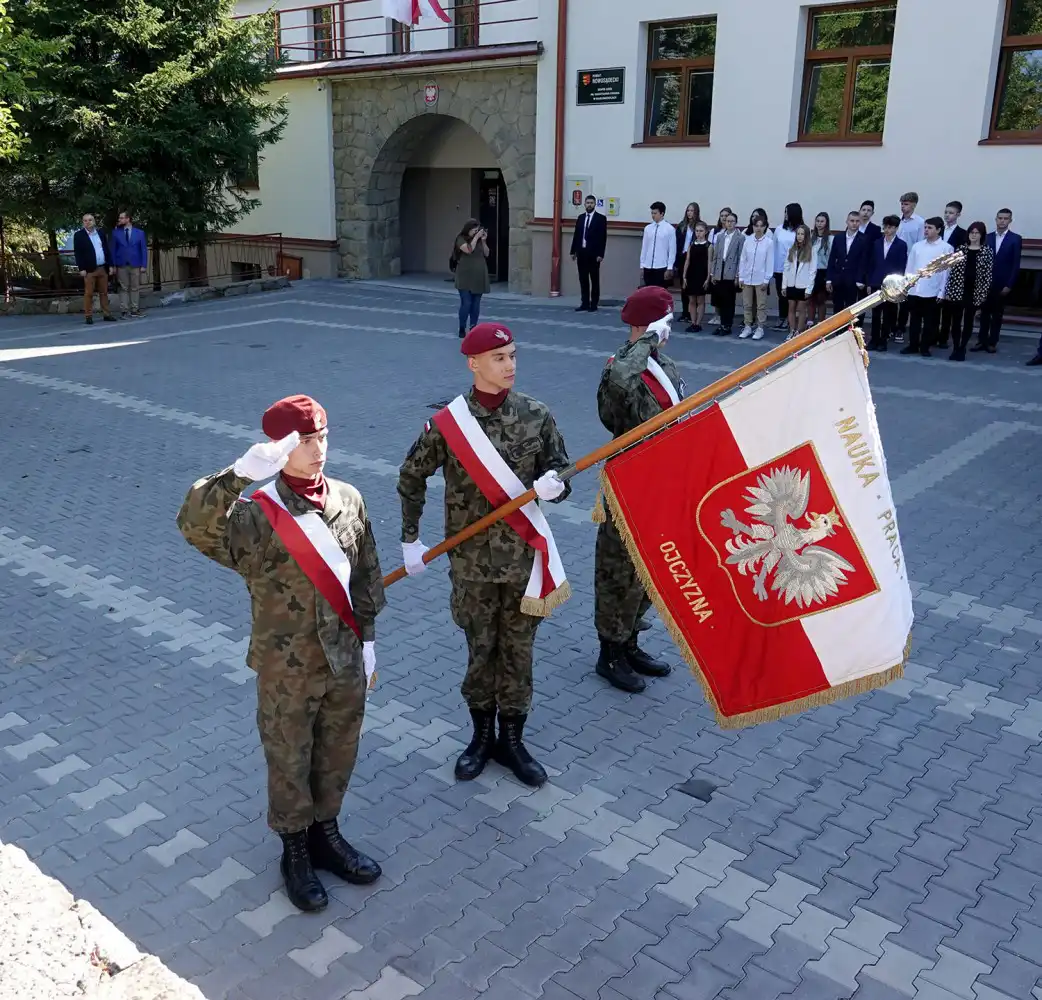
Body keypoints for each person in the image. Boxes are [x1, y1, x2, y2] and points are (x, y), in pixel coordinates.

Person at [176, 395, 386, 913]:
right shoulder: (256, 515)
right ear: (279, 447)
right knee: (289, 759)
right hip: (286, 667)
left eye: (323, 437)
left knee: (338, 752)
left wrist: (369, 640)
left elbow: (365, 575)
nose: (319, 449)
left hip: (344, 658)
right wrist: (239, 474)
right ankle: (295, 851)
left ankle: (326, 835)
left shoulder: (348, 498)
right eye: (305, 441)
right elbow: (193, 524)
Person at [397, 323, 571, 788]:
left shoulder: (536, 414)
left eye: (513, 355)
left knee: (518, 651)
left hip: (522, 562)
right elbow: (411, 476)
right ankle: (480, 737)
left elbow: (561, 467)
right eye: (499, 358)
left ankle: (512, 741)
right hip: (471, 564)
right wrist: (410, 539)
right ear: (473, 364)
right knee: (480, 650)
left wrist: (555, 487)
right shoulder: (447, 424)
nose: (510, 365)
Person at [594, 286, 678, 693]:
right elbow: (619, 389)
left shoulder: (665, 366)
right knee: (618, 569)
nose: (670, 331)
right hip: (628, 482)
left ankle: (630, 642)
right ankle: (609, 653)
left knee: (646, 568)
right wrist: (645, 340)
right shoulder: (620, 367)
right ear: (648, 325)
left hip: (662, 479)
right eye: (665, 322)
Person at [902, 217, 953, 358]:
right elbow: (910, 267)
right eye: (925, 227)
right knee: (914, 320)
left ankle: (925, 346)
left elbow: (945, 272)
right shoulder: (917, 246)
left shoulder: (946, 248)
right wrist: (907, 286)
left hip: (933, 291)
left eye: (930, 228)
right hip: (915, 289)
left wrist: (942, 292)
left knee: (930, 322)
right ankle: (913, 345)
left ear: (938, 230)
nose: (926, 230)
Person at [942, 221, 993, 362]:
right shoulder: (961, 249)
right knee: (956, 321)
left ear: (982, 235)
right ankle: (956, 347)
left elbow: (987, 275)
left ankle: (962, 347)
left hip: (974, 292)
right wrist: (949, 291)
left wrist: (983, 294)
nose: (973, 235)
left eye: (977, 233)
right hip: (958, 290)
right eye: (971, 232)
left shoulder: (987, 251)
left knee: (968, 322)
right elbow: (953, 273)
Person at [975, 208, 1022, 355]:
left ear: (1010, 221)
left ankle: (992, 342)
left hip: (1002, 283)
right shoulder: (987, 237)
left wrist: (1009, 284)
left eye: (1005, 218)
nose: (1002, 221)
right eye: (1000, 218)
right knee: (984, 313)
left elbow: (1015, 264)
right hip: (985, 283)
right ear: (996, 219)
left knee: (997, 315)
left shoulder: (1015, 239)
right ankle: (981, 341)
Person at [865, 215, 908, 352]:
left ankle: (883, 340)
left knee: (888, 313)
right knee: (876, 313)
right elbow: (871, 264)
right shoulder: (877, 243)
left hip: (891, 284)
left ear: (896, 228)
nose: (887, 230)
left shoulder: (901, 245)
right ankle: (874, 339)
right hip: (876, 281)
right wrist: (869, 283)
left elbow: (901, 266)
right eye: (886, 227)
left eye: (890, 227)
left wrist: (898, 285)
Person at [72, 213, 116, 325]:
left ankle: (106, 314)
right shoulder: (79, 235)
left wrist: (110, 265)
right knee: (89, 293)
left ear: (94, 221)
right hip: (89, 269)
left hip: (103, 267)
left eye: (90, 220)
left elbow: (106, 249)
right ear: (83, 222)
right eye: (85, 220)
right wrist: (81, 268)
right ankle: (88, 316)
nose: (88, 222)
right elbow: (78, 253)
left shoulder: (100, 233)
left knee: (104, 292)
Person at [936, 201, 968, 349]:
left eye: (951, 213)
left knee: (948, 310)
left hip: (952, 272)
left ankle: (943, 338)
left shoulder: (962, 234)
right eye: (946, 212)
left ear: (958, 215)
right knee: (934, 307)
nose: (947, 215)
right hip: (937, 271)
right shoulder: (938, 230)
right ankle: (932, 335)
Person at [894, 192, 925, 342]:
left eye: (906, 204)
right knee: (892, 294)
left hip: (909, 263)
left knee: (904, 298)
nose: (903, 207)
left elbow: (920, 245)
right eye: (902, 204)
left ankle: (901, 327)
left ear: (914, 205)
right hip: (895, 261)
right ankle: (890, 327)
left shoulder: (920, 222)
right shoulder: (897, 221)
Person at [737, 215, 773, 340]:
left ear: (765, 227)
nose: (758, 228)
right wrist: (741, 276)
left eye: (761, 226)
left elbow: (769, 262)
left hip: (760, 278)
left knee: (760, 305)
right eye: (756, 226)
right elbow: (743, 259)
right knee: (747, 304)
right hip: (747, 277)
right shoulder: (748, 241)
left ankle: (760, 327)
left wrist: (766, 279)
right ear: (753, 226)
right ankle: (747, 326)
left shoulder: (768, 243)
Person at [707, 211, 743, 337]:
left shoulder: (740, 237)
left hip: (731, 271)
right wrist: (713, 273)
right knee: (721, 300)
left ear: (736, 223)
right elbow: (716, 256)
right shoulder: (720, 236)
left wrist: (738, 275)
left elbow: (740, 258)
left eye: (732, 221)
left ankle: (727, 325)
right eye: (728, 221)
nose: (730, 223)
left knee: (729, 300)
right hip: (720, 270)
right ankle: (722, 324)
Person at [826, 211, 870, 313]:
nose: (854, 223)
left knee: (851, 308)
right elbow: (832, 258)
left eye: (857, 221)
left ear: (860, 223)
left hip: (853, 280)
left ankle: (849, 324)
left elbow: (864, 261)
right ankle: (837, 324)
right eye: (852, 221)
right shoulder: (838, 237)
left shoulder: (864, 239)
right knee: (837, 307)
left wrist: (860, 279)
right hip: (838, 279)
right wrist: (829, 279)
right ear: (847, 221)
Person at [453, 219, 490, 338]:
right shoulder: (461, 239)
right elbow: (468, 250)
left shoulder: (478, 240)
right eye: (474, 230)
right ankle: (462, 327)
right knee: (466, 303)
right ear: (468, 229)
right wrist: (476, 238)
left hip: (479, 276)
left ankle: (473, 328)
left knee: (476, 304)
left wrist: (483, 241)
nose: (476, 232)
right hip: (465, 276)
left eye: (477, 230)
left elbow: (487, 253)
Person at [109, 211, 149, 320]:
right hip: (121, 264)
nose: (120, 220)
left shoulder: (139, 233)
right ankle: (124, 311)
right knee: (123, 288)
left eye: (122, 218)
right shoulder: (116, 233)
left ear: (128, 219)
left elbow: (143, 249)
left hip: (135, 264)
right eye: (119, 218)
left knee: (135, 287)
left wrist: (144, 265)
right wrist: (113, 265)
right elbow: (113, 250)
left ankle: (134, 310)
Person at [570, 194, 607, 312]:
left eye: (591, 203)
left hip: (594, 254)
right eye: (587, 203)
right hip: (582, 253)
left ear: (595, 204)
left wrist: (600, 254)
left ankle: (594, 304)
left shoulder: (600, 219)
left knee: (594, 279)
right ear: (584, 204)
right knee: (583, 279)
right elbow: (576, 235)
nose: (589, 205)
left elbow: (603, 238)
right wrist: (573, 251)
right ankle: (584, 303)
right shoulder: (581, 218)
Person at [781, 223, 815, 340]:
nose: (800, 236)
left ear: (807, 236)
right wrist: (784, 286)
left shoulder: (811, 251)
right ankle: (792, 330)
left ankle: (799, 332)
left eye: (802, 234)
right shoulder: (791, 249)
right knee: (791, 308)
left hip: (803, 285)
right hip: (791, 284)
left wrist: (809, 289)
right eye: (798, 234)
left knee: (801, 309)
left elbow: (812, 271)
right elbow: (786, 268)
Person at [772, 203, 803, 331]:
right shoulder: (779, 229)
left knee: (792, 296)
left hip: (794, 268)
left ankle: (792, 321)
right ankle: (782, 317)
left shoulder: (801, 230)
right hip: (780, 267)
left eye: (787, 212)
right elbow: (774, 248)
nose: (785, 215)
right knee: (781, 294)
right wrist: (773, 268)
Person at [683, 220, 711, 332]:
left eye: (701, 231)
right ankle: (693, 322)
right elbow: (687, 260)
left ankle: (698, 323)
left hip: (702, 274)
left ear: (706, 232)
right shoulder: (691, 245)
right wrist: (684, 275)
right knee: (692, 300)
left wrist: (708, 278)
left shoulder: (708, 246)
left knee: (700, 300)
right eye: (697, 231)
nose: (698, 233)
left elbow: (709, 262)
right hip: (691, 274)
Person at [674, 202, 701, 322]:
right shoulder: (682, 226)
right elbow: (677, 243)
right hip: (682, 256)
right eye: (688, 210)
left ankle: (692, 312)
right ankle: (685, 312)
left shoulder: (699, 226)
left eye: (692, 211)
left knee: (692, 287)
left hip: (694, 258)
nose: (690, 213)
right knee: (683, 286)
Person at [640, 202, 675, 288]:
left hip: (661, 266)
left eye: (655, 213)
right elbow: (644, 248)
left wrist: (669, 267)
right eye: (652, 213)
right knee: (648, 290)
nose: (653, 215)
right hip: (648, 266)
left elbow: (672, 250)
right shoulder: (648, 228)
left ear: (662, 213)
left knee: (659, 291)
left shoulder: (669, 229)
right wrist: (642, 265)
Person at [809, 212, 832, 328]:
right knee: (811, 298)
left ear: (826, 223)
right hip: (811, 272)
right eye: (817, 221)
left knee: (821, 299)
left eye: (822, 221)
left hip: (823, 272)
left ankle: (821, 324)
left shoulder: (830, 239)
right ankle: (810, 322)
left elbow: (831, 258)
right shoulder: (811, 238)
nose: (819, 224)